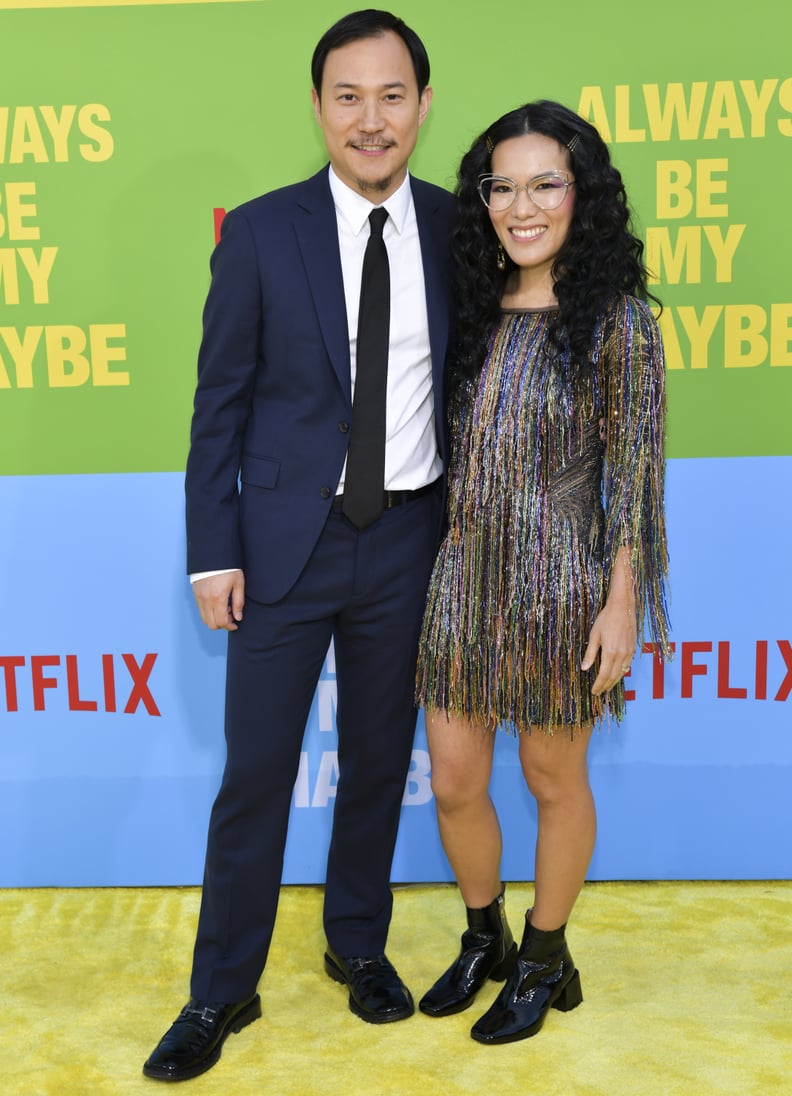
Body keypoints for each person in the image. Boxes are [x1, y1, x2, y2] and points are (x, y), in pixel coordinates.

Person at [143, 10, 454, 1082]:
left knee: (378, 762)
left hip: (412, 538)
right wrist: (209, 550)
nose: (372, 120)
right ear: (319, 106)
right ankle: (221, 989)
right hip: (282, 546)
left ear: (421, 103)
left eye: (393, 95)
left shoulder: (461, 232)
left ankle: (356, 945)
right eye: (348, 97)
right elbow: (216, 403)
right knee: (258, 772)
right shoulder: (263, 233)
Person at [415, 100, 671, 1045]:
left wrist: (622, 599)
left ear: (582, 195)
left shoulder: (617, 321)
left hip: (563, 583)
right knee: (452, 779)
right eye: (503, 187)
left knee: (552, 778)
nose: (522, 207)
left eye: (546, 184)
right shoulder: (471, 309)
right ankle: (482, 934)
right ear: (483, 199)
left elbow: (636, 474)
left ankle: (545, 952)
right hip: (462, 578)